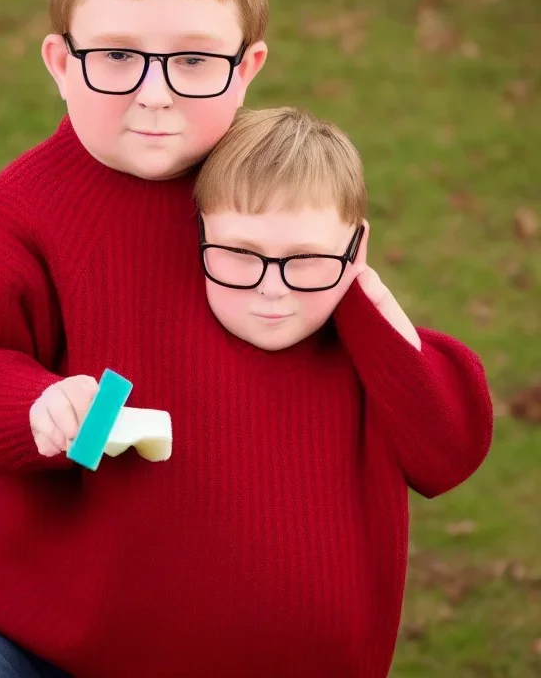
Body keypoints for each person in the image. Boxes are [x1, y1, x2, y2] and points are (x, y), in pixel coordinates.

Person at [0, 0, 273, 676]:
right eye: (117, 56)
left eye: (195, 60)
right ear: (61, 62)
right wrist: (36, 404)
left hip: (186, 618)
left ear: (248, 65)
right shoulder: (23, 208)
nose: (156, 93)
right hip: (13, 615)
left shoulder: (278, 200)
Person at [191, 106, 492, 674]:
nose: (271, 289)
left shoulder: (373, 366)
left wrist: (366, 307)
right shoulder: (155, 339)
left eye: (306, 260)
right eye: (240, 254)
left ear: (356, 248)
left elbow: (448, 455)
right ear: (199, 233)